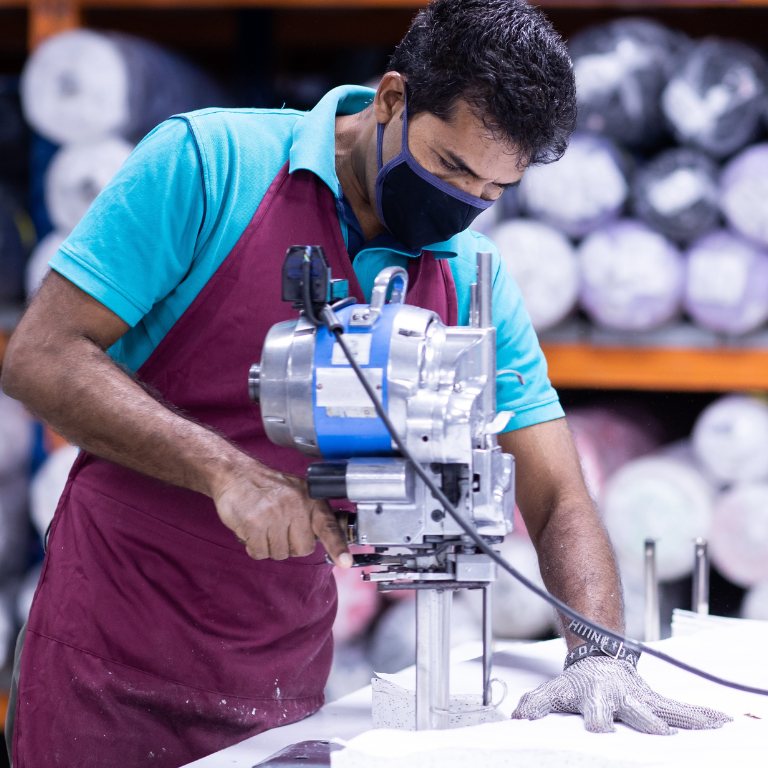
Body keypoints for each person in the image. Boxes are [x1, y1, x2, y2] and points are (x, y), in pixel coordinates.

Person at [1, 1, 730, 765]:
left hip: (280, 673)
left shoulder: (472, 276)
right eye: (450, 167)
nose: (463, 205)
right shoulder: (211, 165)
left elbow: (556, 495)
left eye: (492, 191)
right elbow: (42, 357)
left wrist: (599, 655)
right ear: (391, 99)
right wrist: (225, 472)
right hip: (111, 657)